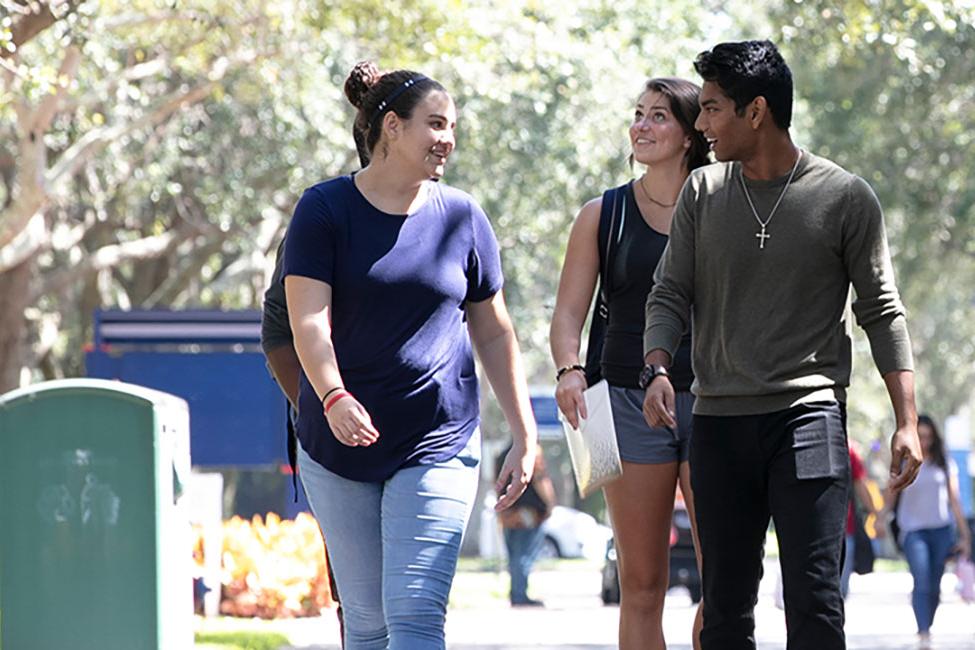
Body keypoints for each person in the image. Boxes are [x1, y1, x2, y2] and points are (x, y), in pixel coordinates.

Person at [642, 40, 923, 650]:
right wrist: (658, 365)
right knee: (724, 605)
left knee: (815, 597)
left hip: (811, 418)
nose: (702, 124)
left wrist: (906, 419)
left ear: (756, 111)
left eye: (713, 109)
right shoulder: (703, 194)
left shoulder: (846, 197)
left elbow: (881, 311)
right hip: (719, 422)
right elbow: (668, 293)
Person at [282, 62, 538, 650]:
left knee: (417, 616)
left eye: (452, 125)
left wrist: (523, 434)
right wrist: (333, 394)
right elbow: (307, 319)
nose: (448, 137)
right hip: (338, 439)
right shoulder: (324, 210)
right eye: (435, 123)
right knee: (368, 628)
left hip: (438, 438)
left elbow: (495, 333)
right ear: (391, 128)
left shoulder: (462, 217)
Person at [550, 77, 709, 650]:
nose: (641, 126)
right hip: (622, 403)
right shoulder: (604, 213)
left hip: (717, 401)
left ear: (691, 135)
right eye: (638, 114)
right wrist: (569, 369)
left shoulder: (724, 205)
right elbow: (568, 314)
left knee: (726, 581)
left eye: (659, 116)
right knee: (642, 584)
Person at [884, 414, 971, 648]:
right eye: (920, 436)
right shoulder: (903, 463)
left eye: (928, 437)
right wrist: (880, 518)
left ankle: (927, 624)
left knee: (934, 583)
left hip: (941, 530)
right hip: (913, 531)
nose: (924, 442)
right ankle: (923, 632)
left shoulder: (945, 464)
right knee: (921, 580)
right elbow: (890, 496)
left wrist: (965, 536)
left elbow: (954, 501)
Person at [497, 444, 557, 607]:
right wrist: (550, 504)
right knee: (524, 554)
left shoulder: (502, 454)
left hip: (508, 511)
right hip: (529, 512)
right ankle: (520, 595)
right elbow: (540, 479)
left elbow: (496, 483)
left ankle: (516, 593)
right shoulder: (532, 451)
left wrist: (501, 512)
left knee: (514, 555)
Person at [839, 444, 882, 599]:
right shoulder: (847, 447)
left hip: (844, 526)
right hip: (838, 527)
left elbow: (860, 485)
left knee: (838, 587)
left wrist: (876, 514)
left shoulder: (848, 449)